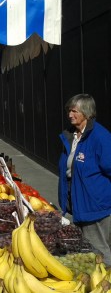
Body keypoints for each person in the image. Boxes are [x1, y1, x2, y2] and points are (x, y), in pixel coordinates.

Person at [58, 94, 111, 266]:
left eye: (74, 111)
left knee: (99, 251)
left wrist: (95, 194)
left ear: (86, 113)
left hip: (94, 205)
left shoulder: (100, 137)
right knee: (85, 250)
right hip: (78, 201)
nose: (70, 115)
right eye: (69, 111)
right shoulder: (72, 136)